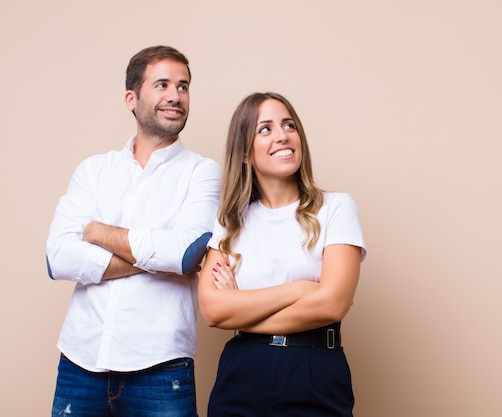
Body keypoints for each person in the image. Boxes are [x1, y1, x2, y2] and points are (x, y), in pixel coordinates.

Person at [46, 45, 221, 417]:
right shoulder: (94, 171)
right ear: (131, 98)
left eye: (183, 86)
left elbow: (186, 253)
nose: (175, 96)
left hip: (160, 368)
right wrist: (157, 256)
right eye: (162, 85)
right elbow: (57, 258)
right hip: (80, 362)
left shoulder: (202, 172)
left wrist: (97, 231)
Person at [198, 92, 367, 417]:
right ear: (245, 153)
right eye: (265, 129)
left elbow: (333, 303)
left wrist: (244, 310)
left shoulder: (336, 208)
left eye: (289, 125)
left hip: (313, 371)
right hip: (242, 372)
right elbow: (213, 311)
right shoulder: (229, 222)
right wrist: (300, 289)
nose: (282, 135)